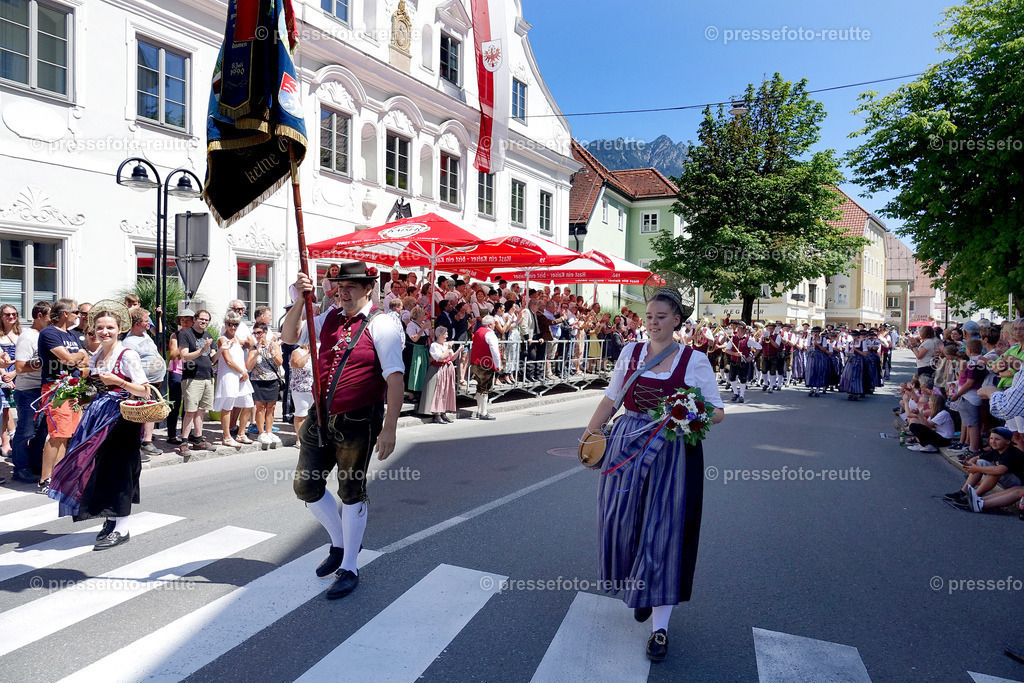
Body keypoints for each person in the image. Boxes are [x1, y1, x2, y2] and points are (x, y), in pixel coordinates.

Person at [583, 288, 725, 663]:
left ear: (677, 320)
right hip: (627, 445)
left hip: (673, 451)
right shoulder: (631, 352)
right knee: (619, 520)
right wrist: (589, 434)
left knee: (664, 532)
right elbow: (612, 397)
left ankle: (659, 628)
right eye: (648, 316)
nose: (653, 322)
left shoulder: (694, 360)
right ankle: (638, 585)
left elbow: (718, 411)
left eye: (661, 316)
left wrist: (685, 411)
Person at [281, 261, 404, 600]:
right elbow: (289, 337)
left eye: (352, 285)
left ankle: (349, 566)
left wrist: (389, 428)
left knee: (351, 491)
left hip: (358, 420)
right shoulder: (328, 318)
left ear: (369, 288)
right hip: (320, 417)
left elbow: (394, 378)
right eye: (340, 285)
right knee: (306, 486)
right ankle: (340, 541)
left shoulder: (383, 324)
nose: (343, 290)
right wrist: (299, 299)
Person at [47, 306, 151, 550]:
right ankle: (111, 518)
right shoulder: (95, 357)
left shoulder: (127, 355)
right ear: (93, 329)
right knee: (101, 469)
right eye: (101, 327)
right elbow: (95, 391)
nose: (105, 332)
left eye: (110, 328)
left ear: (120, 329)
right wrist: (78, 394)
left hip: (123, 419)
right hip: (98, 418)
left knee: (121, 469)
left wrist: (119, 381)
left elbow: (145, 389)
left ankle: (122, 525)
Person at [37, 299, 90, 494]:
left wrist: (77, 358)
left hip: (72, 388)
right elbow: (68, 359)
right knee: (57, 434)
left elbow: (85, 362)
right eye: (76, 312)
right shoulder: (49, 333)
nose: (79, 315)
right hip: (56, 389)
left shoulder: (72, 336)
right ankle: (44, 480)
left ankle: (56, 476)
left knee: (66, 434)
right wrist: (77, 356)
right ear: (65, 314)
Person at [11, 301, 50, 483]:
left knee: (41, 432)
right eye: (50, 316)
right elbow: (19, 367)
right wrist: (46, 362)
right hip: (28, 391)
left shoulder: (47, 335)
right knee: (25, 431)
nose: (53, 320)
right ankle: (21, 468)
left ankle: (35, 466)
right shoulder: (28, 337)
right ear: (39, 316)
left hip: (43, 390)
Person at [121, 307, 166, 459]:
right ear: (137, 323)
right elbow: (132, 367)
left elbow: (158, 337)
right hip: (140, 385)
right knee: (138, 416)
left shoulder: (145, 335)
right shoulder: (128, 342)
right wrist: (142, 385)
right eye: (147, 321)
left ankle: (147, 442)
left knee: (149, 412)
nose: (149, 324)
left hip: (152, 383)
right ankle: (136, 448)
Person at [945, 428, 1024, 512]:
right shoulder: (996, 449)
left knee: (994, 471)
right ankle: (968, 495)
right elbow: (978, 458)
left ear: (1008, 441)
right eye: (991, 438)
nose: (993, 441)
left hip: (1017, 480)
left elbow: (1000, 470)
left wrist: (976, 468)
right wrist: (972, 462)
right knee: (981, 463)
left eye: (997, 439)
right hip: (1013, 481)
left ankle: (977, 498)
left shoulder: (1011, 453)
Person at [177, 310, 216, 458]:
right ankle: (184, 442)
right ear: (195, 319)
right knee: (190, 411)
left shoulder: (208, 336)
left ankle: (198, 440)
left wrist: (221, 351)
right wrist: (202, 349)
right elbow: (185, 356)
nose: (204, 322)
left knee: (201, 410)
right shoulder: (185, 334)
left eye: (206, 320)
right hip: (192, 378)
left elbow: (212, 359)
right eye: (201, 319)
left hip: (207, 377)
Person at [212, 311, 255, 448]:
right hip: (229, 375)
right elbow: (228, 361)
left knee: (248, 403)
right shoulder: (222, 339)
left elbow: (250, 344)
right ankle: (226, 436)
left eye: (236, 324)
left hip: (241, 375)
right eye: (230, 324)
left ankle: (241, 433)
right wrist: (242, 371)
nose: (233, 327)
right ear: (225, 324)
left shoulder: (237, 338)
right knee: (228, 405)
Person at [248, 322, 283, 447]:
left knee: (271, 407)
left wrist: (272, 352)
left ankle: (269, 431)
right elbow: (248, 366)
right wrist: (256, 353)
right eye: (255, 333)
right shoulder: (253, 348)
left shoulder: (273, 345)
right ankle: (261, 433)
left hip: (272, 380)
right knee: (260, 407)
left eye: (259, 333)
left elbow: (279, 362)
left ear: (265, 332)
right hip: (258, 381)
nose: (257, 335)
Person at [165, 311, 192, 446]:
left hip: (192, 372)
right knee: (175, 403)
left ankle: (186, 433)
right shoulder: (176, 335)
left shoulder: (195, 335)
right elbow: (174, 355)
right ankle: (171, 435)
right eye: (182, 321)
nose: (185, 323)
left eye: (188, 320)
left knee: (190, 404)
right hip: (177, 371)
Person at [419, 326, 457, 423]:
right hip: (437, 370)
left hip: (446, 370)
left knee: (445, 392)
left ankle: (443, 413)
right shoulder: (434, 345)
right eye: (445, 334)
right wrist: (448, 348)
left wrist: (458, 351)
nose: (447, 336)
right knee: (437, 392)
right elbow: (440, 358)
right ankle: (437, 415)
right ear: (439, 335)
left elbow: (451, 358)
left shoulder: (445, 345)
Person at [469, 316, 501, 420]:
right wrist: (498, 364)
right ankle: (483, 412)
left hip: (476, 362)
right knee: (485, 388)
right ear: (490, 324)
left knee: (479, 387)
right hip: (485, 363)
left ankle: (479, 410)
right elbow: (495, 350)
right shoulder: (490, 334)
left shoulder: (478, 331)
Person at [0, 304, 20, 459]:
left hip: (18, 370)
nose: (11, 317)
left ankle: (15, 437)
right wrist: (4, 375)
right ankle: (5, 442)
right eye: (7, 314)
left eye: (14, 314)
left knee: (19, 405)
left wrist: (15, 373)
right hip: (3, 372)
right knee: (5, 408)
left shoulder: (22, 333)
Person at [289, 343, 313, 433]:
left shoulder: (318, 349)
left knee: (314, 415)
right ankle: (300, 439)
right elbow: (297, 364)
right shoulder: (297, 352)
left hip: (314, 389)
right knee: (301, 414)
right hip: (301, 388)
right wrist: (309, 354)